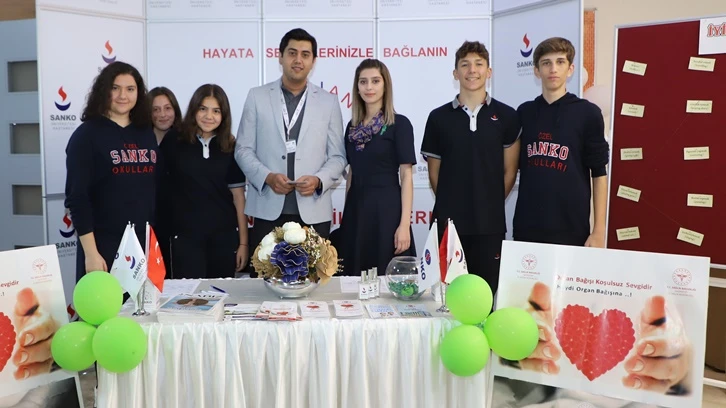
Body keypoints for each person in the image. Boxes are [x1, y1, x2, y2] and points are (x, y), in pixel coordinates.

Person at [235, 28, 346, 257]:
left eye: (305, 55)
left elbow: (338, 157)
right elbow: (243, 150)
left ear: (313, 61)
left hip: (313, 213)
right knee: (265, 278)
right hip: (267, 211)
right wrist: (268, 177)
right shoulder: (257, 97)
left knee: (312, 278)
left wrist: (318, 180)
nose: (298, 60)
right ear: (280, 56)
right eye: (292, 53)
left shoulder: (329, 102)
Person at [420, 41, 520, 295]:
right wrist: (453, 205)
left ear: (489, 71)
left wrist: (489, 203)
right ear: (455, 73)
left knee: (485, 294)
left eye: (478, 64)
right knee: (448, 296)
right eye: (465, 65)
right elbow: (434, 174)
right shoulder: (438, 118)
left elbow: (510, 171)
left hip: (490, 225)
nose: (472, 70)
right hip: (449, 225)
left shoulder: (507, 116)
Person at [65, 61, 157, 281]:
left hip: (142, 245)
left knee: (142, 304)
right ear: (104, 91)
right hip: (103, 246)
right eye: (115, 88)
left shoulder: (146, 133)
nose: (123, 95)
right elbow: (78, 198)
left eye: (130, 89)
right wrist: (91, 254)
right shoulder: (86, 135)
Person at [513, 37, 610, 247]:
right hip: (527, 227)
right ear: (537, 71)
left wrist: (599, 230)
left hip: (572, 229)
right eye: (546, 63)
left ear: (570, 69)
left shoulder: (588, 113)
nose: (553, 69)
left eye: (560, 62)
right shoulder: (524, 113)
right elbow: (511, 166)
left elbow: (599, 174)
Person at [161, 84, 248, 279]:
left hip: (223, 238)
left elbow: (238, 197)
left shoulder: (230, 146)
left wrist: (243, 243)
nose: (209, 116)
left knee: (221, 293)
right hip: (185, 238)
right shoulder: (174, 141)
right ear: (194, 109)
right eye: (203, 109)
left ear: (224, 115)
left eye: (216, 111)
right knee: (186, 296)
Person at [339, 58, 416, 276]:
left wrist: (404, 225)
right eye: (363, 82)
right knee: (354, 279)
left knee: (387, 279)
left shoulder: (399, 124)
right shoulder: (352, 127)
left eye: (375, 81)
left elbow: (406, 176)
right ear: (357, 88)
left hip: (387, 213)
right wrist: (346, 218)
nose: (369, 87)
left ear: (385, 85)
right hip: (356, 213)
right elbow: (352, 173)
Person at [148, 86, 182, 271]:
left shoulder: (186, 141)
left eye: (167, 108)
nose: (162, 114)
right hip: (148, 222)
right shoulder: (139, 141)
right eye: (156, 109)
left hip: (178, 223)